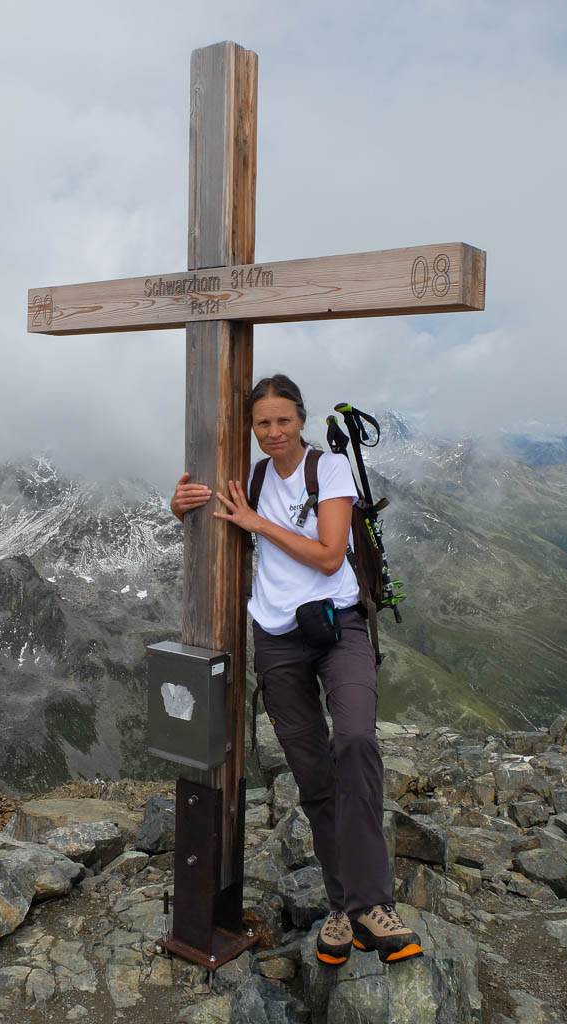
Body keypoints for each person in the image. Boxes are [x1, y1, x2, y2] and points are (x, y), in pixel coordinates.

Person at [170, 374, 422, 966]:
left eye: (283, 420)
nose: (274, 432)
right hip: (277, 639)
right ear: (252, 429)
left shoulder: (327, 469)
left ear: (300, 421)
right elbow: (205, 515)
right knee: (312, 774)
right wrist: (178, 505)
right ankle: (345, 907)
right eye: (263, 423)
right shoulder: (251, 477)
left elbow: (331, 553)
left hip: (339, 627)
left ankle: (371, 904)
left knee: (356, 740)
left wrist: (257, 524)